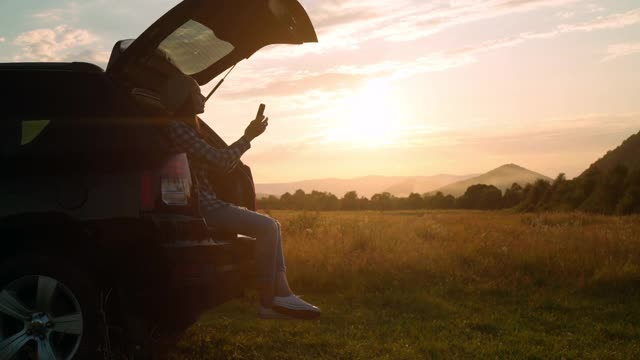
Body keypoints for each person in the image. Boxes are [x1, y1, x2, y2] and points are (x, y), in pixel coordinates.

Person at [166, 112, 321, 320]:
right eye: (195, 92)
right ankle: (269, 303)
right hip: (204, 205)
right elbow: (220, 160)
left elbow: (221, 165)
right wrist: (248, 137)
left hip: (207, 202)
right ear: (182, 96)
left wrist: (247, 138)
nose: (201, 96)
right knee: (267, 227)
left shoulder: (186, 128)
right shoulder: (179, 128)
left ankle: (283, 293)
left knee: (272, 225)